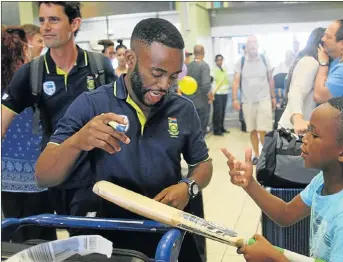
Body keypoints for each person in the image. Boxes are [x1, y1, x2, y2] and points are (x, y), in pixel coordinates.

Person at [35, 18, 213, 262]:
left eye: (172, 77)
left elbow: (203, 164)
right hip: (109, 237)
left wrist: (188, 187)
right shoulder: (92, 105)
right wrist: (78, 140)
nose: (164, 86)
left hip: (165, 232)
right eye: (157, 73)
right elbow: (43, 175)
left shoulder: (182, 109)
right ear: (130, 60)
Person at [222, 97, 343, 262]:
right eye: (307, 130)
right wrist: (250, 184)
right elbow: (286, 214)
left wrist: (273, 258)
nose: (304, 139)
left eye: (314, 134)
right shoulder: (324, 181)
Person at [1, 1, 117, 218]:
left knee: (99, 247)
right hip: (57, 177)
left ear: (74, 24)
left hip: (98, 177)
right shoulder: (32, 72)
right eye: (42, 20)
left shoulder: (99, 66)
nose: (45, 27)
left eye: (54, 20)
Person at [1, 26, 57, 243]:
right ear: (22, 51)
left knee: (14, 235)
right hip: (38, 170)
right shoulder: (30, 79)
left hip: (6, 174)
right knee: (42, 235)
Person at [232, 35, 276, 165]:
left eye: (254, 43)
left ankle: (265, 154)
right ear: (246, 46)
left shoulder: (264, 59)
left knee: (262, 129)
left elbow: (270, 79)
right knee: (252, 130)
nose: (252, 45)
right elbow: (235, 81)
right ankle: (256, 154)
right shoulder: (241, 62)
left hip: (264, 99)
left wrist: (273, 97)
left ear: (258, 45)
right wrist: (235, 98)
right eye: (250, 43)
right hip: (247, 101)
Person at [279, 27, 326, 135]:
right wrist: (298, 119)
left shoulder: (318, 63)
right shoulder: (310, 62)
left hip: (301, 128)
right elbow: (296, 92)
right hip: (295, 130)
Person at [186, 45, 213, 137]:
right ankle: (200, 149)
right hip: (201, 103)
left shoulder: (188, 66)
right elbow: (206, 86)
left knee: (192, 129)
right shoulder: (204, 66)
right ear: (203, 53)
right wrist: (210, 96)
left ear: (194, 54)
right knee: (201, 129)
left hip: (189, 102)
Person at [211, 54, 230, 136]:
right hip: (217, 94)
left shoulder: (224, 69)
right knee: (217, 112)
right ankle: (216, 130)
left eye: (221, 60)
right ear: (215, 61)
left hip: (224, 93)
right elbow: (211, 83)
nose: (220, 61)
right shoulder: (213, 70)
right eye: (218, 60)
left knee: (222, 112)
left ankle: (221, 127)